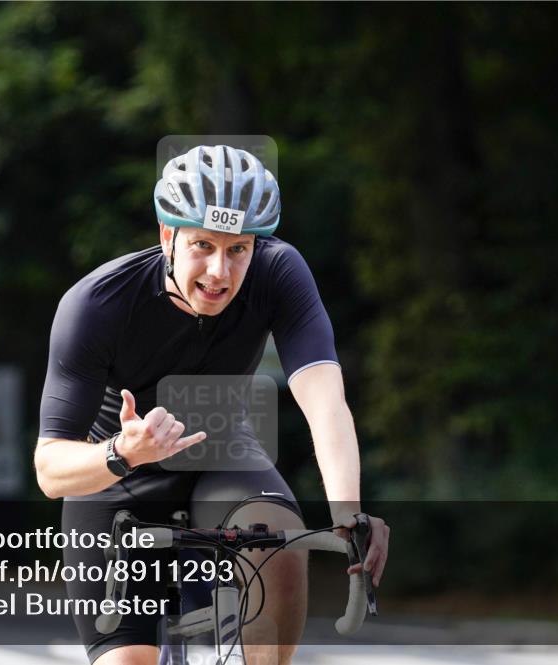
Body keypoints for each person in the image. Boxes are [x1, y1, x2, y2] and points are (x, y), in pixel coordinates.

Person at [36, 145, 390, 665]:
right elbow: (49, 469)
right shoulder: (97, 305)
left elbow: (325, 403)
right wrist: (122, 452)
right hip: (118, 484)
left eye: (238, 249)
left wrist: (347, 514)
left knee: (277, 546)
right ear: (167, 236)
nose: (219, 272)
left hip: (224, 458)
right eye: (202, 244)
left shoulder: (280, 272)